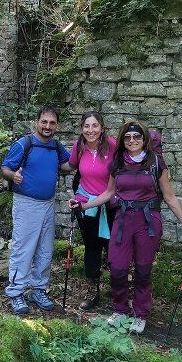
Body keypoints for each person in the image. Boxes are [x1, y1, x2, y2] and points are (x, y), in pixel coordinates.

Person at [70, 120, 182, 334]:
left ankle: (141, 314)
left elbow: (169, 197)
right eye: (128, 138)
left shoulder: (155, 163)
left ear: (144, 140)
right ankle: (120, 309)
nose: (132, 141)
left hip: (148, 221)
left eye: (137, 137)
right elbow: (107, 193)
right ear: (123, 141)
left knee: (143, 270)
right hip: (123, 220)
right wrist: (84, 205)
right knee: (117, 267)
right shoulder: (117, 163)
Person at [0, 107, 73, 315]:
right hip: (26, 203)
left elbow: (67, 165)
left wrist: (83, 154)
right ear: (37, 122)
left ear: (57, 125)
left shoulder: (56, 147)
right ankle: (16, 293)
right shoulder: (25, 144)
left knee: (44, 249)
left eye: (52, 123)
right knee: (24, 249)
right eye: (44, 122)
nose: (47, 127)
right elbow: (5, 167)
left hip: (48, 204)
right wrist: (13, 176)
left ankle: (38, 290)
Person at [70, 111, 118, 312]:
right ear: (82, 128)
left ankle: (119, 292)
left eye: (95, 126)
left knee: (114, 247)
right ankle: (92, 290)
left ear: (102, 128)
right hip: (85, 205)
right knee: (91, 247)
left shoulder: (113, 145)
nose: (91, 130)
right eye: (87, 126)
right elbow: (69, 165)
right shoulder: (78, 146)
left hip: (111, 205)